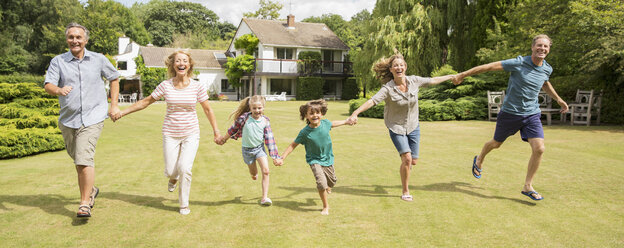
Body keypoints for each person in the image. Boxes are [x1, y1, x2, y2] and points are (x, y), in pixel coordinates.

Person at [451, 34, 569, 201]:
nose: (542, 49)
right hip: (510, 114)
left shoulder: (547, 68)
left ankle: (528, 186)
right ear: (532, 47)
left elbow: (545, 82)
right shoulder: (519, 63)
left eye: (545, 46)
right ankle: (479, 159)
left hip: (532, 114)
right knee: (496, 144)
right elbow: (489, 67)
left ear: (549, 49)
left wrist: (558, 99)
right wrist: (462, 75)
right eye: (539, 45)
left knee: (540, 148)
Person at [117, 50, 221, 214]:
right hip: (170, 133)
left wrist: (216, 131)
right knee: (171, 170)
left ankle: (184, 204)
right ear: (173, 65)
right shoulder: (166, 85)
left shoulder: (196, 86)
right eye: (178, 61)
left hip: (191, 133)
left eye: (185, 61)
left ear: (189, 65)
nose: (181, 63)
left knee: (185, 168)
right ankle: (173, 177)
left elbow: (208, 109)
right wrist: (123, 112)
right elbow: (146, 102)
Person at [348, 53, 455, 202]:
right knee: (407, 158)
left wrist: (450, 77)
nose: (399, 67)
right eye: (395, 65)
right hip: (396, 127)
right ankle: (405, 191)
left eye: (401, 65)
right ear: (391, 70)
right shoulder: (388, 89)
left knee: (413, 161)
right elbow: (372, 101)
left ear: (405, 67)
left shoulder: (414, 81)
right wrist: (355, 112)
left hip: (413, 126)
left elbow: (433, 80)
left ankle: (406, 168)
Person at [44, 23, 121, 218]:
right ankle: (91, 189)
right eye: (71, 37)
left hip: (93, 117)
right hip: (68, 120)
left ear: (85, 40)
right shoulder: (58, 61)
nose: (75, 40)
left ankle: (85, 203)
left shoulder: (98, 59)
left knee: (83, 159)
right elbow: (48, 85)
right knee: (77, 157)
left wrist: (114, 105)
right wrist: (59, 90)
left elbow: (114, 77)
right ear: (67, 40)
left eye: (78, 37)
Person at [279, 99, 353, 215]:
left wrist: (346, 121)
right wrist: (282, 157)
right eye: (311, 113)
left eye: (317, 113)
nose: (315, 115)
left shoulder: (325, 124)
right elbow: (293, 145)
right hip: (314, 160)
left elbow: (333, 123)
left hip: (327, 158)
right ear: (306, 116)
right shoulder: (304, 132)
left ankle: (329, 186)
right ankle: (325, 206)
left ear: (322, 114)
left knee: (332, 182)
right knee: (321, 183)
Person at [217, 95, 282, 206]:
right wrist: (224, 139)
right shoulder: (244, 118)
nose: (257, 111)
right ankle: (253, 173)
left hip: (259, 149)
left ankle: (264, 198)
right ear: (250, 108)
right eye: (254, 108)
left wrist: (275, 156)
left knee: (266, 171)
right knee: (254, 173)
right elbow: (233, 129)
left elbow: (270, 139)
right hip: (247, 151)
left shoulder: (265, 121)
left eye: (260, 108)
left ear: (263, 107)